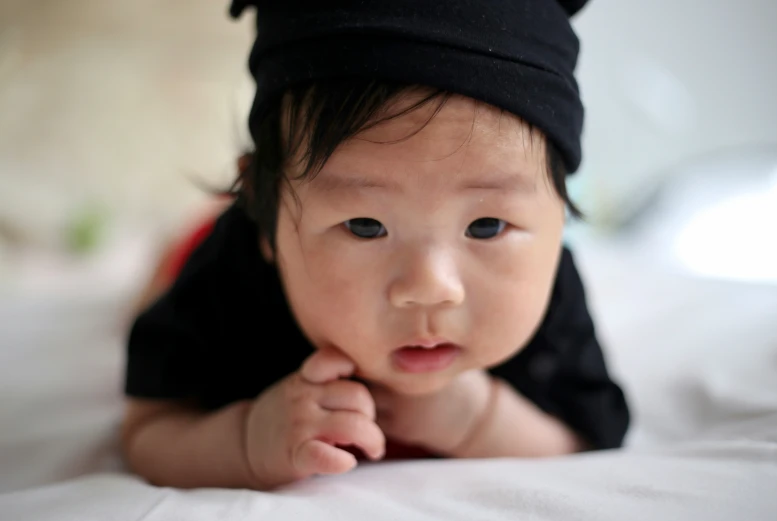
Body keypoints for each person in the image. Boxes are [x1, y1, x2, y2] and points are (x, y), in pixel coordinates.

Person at [121, 0, 630, 491]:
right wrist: (248, 439)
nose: (430, 288)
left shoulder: (555, 295)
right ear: (265, 215)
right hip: (211, 247)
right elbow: (150, 425)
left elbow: (588, 441)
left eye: (487, 226)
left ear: (559, 211)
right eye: (365, 225)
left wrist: (476, 420)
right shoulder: (231, 278)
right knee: (164, 270)